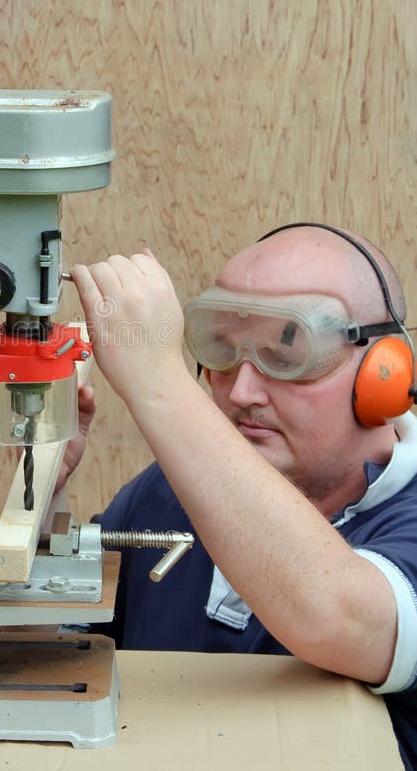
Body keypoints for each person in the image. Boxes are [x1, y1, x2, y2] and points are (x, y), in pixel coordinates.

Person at [64, 223, 417, 769]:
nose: (242, 391)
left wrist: (155, 379)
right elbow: (58, 658)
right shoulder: (168, 489)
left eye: (286, 355)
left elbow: (345, 620)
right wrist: (43, 501)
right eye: (222, 352)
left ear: (384, 374)